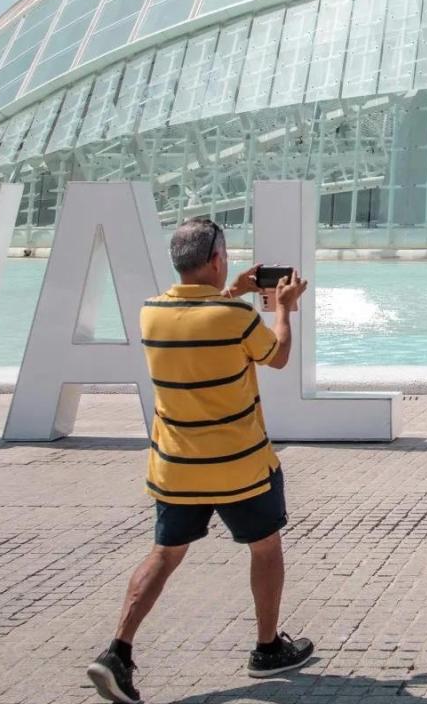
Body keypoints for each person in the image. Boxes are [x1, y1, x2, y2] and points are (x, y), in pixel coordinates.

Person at [86, 218, 313, 704]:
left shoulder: (151, 313)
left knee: (164, 556)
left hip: (176, 467)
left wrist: (231, 291)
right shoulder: (237, 320)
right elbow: (277, 356)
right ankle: (268, 648)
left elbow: (203, 320)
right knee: (265, 547)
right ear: (216, 259)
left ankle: (117, 653)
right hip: (240, 465)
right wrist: (285, 309)